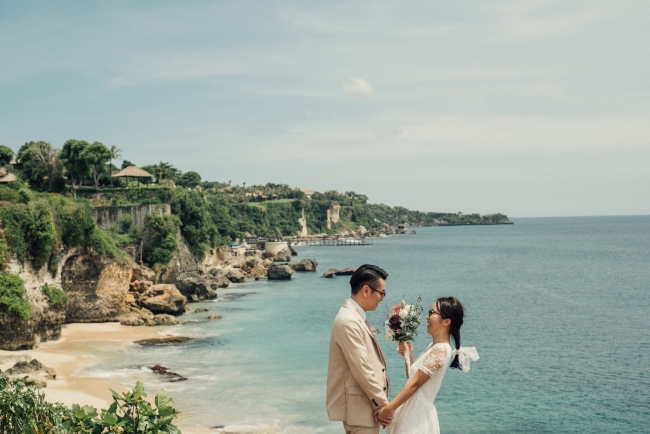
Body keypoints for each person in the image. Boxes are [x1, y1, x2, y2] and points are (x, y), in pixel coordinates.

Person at [374, 296, 479, 434]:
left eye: (432, 313)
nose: (427, 317)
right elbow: (415, 379)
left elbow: (415, 385)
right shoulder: (433, 346)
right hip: (410, 412)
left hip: (416, 418)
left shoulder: (441, 350)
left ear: (446, 321)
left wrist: (387, 410)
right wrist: (409, 356)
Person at [326, 264, 392, 434]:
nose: (382, 298)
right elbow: (362, 369)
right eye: (381, 293)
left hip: (364, 409)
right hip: (361, 411)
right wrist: (383, 406)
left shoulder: (355, 317)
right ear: (365, 290)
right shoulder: (349, 321)